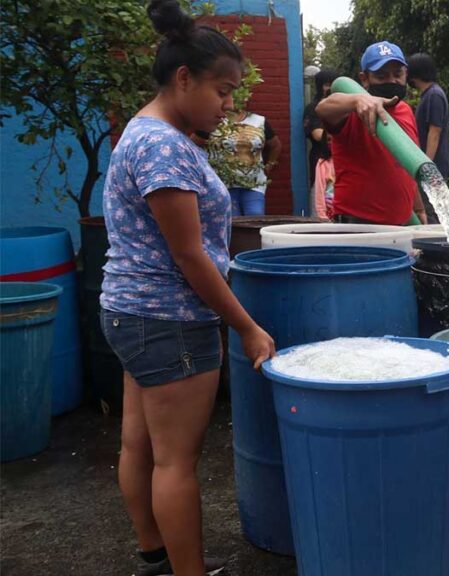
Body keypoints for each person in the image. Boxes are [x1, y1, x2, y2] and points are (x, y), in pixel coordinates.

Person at [100, 2, 276, 575]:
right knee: (176, 460)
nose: (228, 106)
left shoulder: (144, 133)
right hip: (169, 317)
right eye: (222, 92)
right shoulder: (165, 147)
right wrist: (246, 327)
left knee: (141, 445)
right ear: (183, 79)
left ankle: (155, 553)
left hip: (132, 311)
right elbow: (190, 256)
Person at [316, 41, 429, 226]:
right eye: (382, 76)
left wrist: (419, 209)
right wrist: (357, 100)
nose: (392, 81)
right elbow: (323, 108)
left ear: (406, 73)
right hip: (358, 227)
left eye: (397, 74)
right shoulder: (352, 111)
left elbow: (405, 163)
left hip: (401, 226)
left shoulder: (406, 111)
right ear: (365, 79)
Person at [202, 105, 281, 216]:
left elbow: (275, 145)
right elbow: (193, 143)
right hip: (224, 183)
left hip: (254, 183)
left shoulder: (259, 121)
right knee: (233, 221)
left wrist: (270, 165)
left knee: (255, 216)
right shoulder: (215, 120)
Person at [408, 53, 449, 180]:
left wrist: (427, 167)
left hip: (433, 165)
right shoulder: (428, 94)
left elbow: (435, 132)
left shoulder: (434, 95)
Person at [303, 68, 338, 187]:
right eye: (327, 85)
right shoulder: (313, 108)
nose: (331, 89)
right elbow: (318, 135)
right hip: (321, 162)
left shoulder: (345, 107)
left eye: (334, 85)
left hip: (341, 162)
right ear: (320, 86)